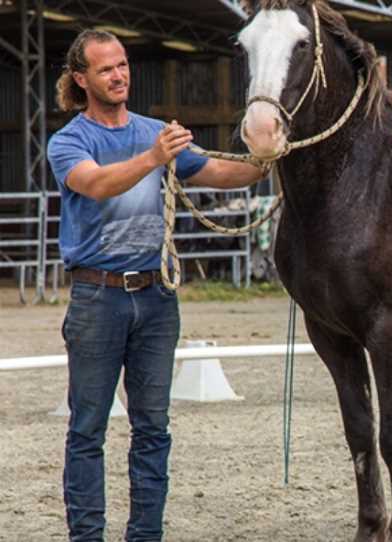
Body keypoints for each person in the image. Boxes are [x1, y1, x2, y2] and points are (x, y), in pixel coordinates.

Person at [47, 29, 266, 541]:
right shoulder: (71, 141)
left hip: (156, 296)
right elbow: (96, 184)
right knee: (87, 431)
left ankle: (146, 535)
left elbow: (214, 170)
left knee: (153, 430)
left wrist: (265, 161)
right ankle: (88, 537)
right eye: (105, 69)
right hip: (97, 298)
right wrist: (154, 157)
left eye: (122, 64)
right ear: (82, 79)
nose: (119, 75)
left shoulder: (155, 131)